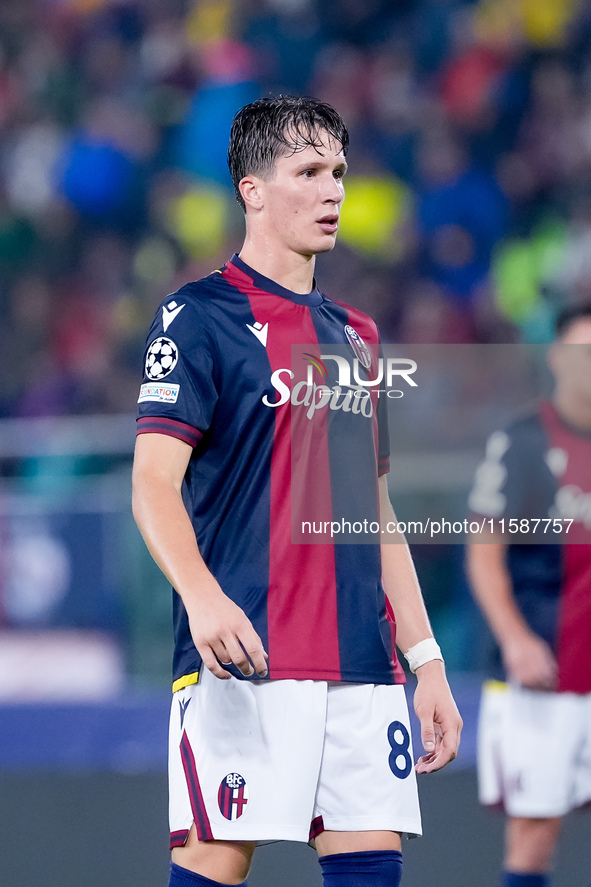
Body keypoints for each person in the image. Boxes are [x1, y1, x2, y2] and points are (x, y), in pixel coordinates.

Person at [132, 95, 462, 887]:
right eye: (308, 171)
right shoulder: (196, 317)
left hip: (361, 664)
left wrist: (427, 660)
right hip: (247, 657)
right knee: (211, 869)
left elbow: (372, 510)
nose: (333, 191)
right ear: (251, 188)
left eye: (339, 172)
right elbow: (152, 483)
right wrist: (204, 599)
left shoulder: (357, 336)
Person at [466, 304, 591, 887]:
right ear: (557, 357)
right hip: (544, 667)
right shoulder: (522, 442)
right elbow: (483, 550)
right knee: (535, 834)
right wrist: (515, 640)